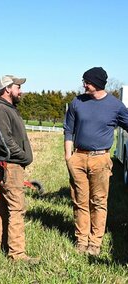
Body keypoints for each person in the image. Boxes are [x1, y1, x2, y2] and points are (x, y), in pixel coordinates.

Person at [64, 67, 128, 256]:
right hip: (78, 158)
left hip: (101, 159)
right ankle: (81, 240)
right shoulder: (77, 102)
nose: (84, 85)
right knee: (79, 201)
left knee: (98, 202)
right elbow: (68, 129)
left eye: (87, 82)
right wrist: (69, 157)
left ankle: (95, 243)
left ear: (98, 83)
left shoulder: (115, 106)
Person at [0, 75, 39, 263]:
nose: (21, 91)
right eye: (18, 87)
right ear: (8, 89)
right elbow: (5, 141)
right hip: (11, 165)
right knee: (17, 209)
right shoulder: (0, 109)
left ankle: (0, 244)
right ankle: (17, 254)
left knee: (4, 207)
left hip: (10, 164)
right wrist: (24, 156)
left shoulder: (7, 108)